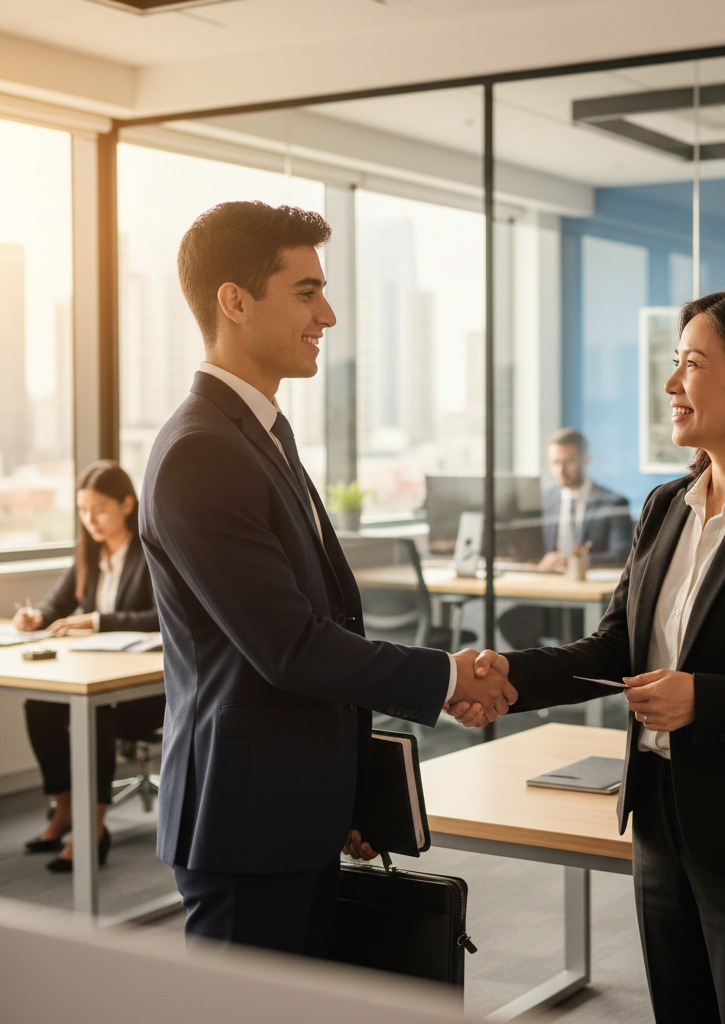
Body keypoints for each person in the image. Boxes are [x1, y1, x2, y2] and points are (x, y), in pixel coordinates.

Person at [453, 289, 725, 1024]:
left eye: (691, 363)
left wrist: (705, 700)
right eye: (673, 362)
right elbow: (616, 646)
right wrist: (510, 676)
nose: (670, 384)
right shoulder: (665, 506)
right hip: (659, 819)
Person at [140, 201, 513, 958]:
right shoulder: (202, 450)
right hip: (244, 818)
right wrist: (446, 675)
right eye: (306, 291)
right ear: (235, 302)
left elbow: (319, 630)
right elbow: (290, 646)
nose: (329, 314)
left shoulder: (262, 435)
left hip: (289, 804)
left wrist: (339, 788)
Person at [16, 460, 163, 873]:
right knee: (40, 705)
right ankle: (64, 812)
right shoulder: (89, 554)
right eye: (83, 510)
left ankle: (94, 828)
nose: (90, 519)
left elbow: (160, 616)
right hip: (99, 673)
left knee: (95, 712)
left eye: (99, 508)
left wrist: (96, 620)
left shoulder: (152, 553)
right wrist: (37, 617)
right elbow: (56, 604)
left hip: (146, 689)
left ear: (127, 505)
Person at [498, 428, 632, 649]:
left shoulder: (612, 502)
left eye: (568, 461)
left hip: (589, 603)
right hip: (549, 596)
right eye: (554, 462)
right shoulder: (543, 500)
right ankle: (546, 672)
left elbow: (621, 554)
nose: (560, 470)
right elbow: (528, 547)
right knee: (511, 622)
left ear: (585, 460)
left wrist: (572, 561)